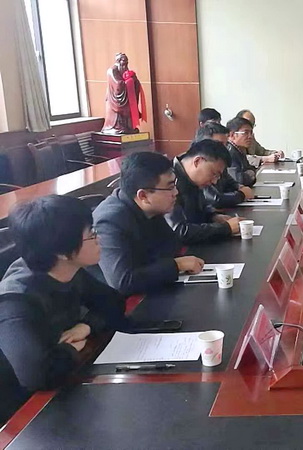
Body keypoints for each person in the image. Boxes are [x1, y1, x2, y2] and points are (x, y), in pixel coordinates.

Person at [0, 196, 127, 421]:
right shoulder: (16, 300)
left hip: (65, 383)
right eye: (92, 234)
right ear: (61, 251)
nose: (99, 239)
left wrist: (86, 326)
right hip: (21, 410)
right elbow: (37, 376)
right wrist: (71, 349)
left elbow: (113, 302)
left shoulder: (67, 269)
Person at [93, 152, 205, 296]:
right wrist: (177, 265)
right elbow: (123, 282)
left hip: (149, 290)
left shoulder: (149, 207)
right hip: (120, 302)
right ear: (143, 195)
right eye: (170, 187)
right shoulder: (110, 222)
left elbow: (173, 246)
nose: (176, 192)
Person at [165, 139, 243, 244]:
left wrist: (214, 217)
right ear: (198, 161)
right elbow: (180, 231)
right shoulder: (168, 181)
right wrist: (226, 228)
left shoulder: (193, 179)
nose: (214, 181)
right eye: (214, 174)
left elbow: (201, 210)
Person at [194, 122, 254, 208]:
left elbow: (229, 181)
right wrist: (242, 195)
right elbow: (215, 199)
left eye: (225, 145)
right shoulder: (201, 164)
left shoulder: (220, 161)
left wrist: (239, 187)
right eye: (219, 144)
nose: (224, 149)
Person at [102, 53, 145, 134]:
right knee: (118, 115)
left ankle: (128, 126)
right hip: (115, 98)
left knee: (129, 109)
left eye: (127, 61)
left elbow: (134, 81)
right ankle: (117, 127)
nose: (126, 63)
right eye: (123, 61)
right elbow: (118, 84)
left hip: (127, 96)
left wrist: (134, 80)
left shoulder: (124, 69)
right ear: (118, 61)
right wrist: (128, 82)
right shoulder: (112, 70)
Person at [225, 117, 258, 187]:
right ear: (232, 135)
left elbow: (251, 170)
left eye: (251, 133)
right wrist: (250, 174)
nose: (250, 136)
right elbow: (238, 180)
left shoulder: (240, 149)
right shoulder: (229, 153)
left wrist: (249, 174)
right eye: (245, 133)